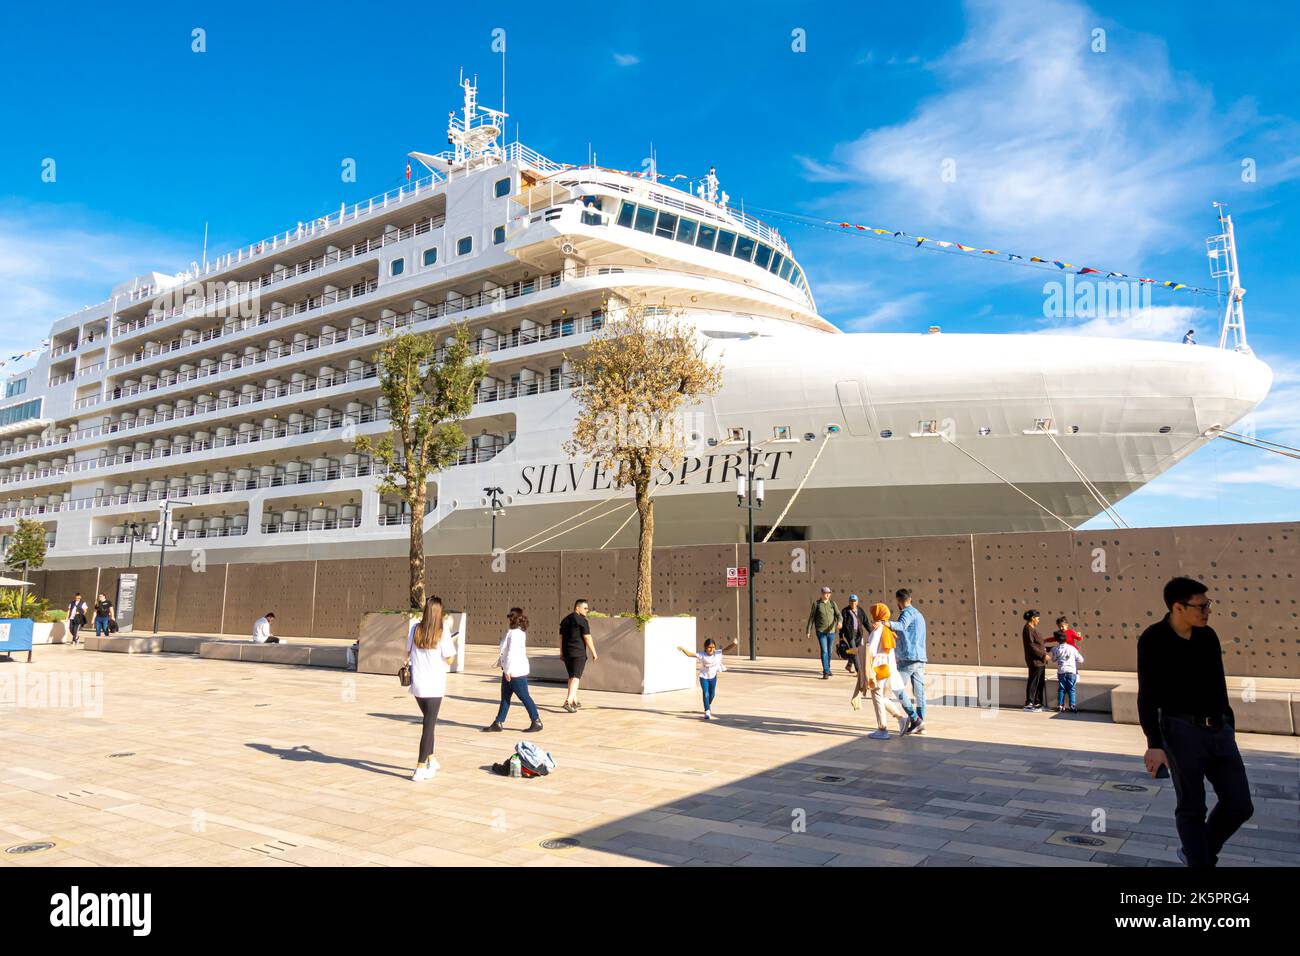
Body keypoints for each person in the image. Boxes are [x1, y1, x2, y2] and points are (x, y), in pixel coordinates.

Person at [1138, 577, 1253, 868]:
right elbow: (1147, 695)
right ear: (1178, 607)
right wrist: (1154, 744)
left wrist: (1228, 725)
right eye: (1200, 607)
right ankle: (1200, 863)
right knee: (1192, 807)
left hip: (1219, 730)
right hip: (1180, 731)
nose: (1207, 611)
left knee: (1239, 804)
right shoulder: (1154, 639)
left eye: (1207, 605)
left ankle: (1196, 852)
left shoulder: (1208, 636)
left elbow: (1218, 684)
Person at [407, 595, 458, 782]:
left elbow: (407, 652)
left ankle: (432, 759)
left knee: (430, 722)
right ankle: (420, 767)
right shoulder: (442, 632)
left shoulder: (415, 630)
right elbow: (450, 658)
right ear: (439, 613)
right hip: (435, 685)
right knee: (428, 726)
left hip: (418, 685)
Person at [855, 603, 921, 739]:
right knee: (881, 696)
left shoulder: (878, 630)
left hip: (877, 668)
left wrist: (859, 649)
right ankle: (900, 719)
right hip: (886, 668)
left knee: (877, 696)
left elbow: (871, 650)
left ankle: (883, 728)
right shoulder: (887, 629)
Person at [484, 608, 543, 734]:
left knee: (524, 697)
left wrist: (507, 671)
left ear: (512, 619)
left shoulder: (515, 634)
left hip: (514, 672)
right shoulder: (517, 632)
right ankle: (498, 722)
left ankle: (536, 720)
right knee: (505, 698)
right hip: (511, 670)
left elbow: (512, 653)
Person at [893, 588, 928, 731]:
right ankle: (921, 723)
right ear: (910, 599)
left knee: (897, 687)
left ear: (899, 602)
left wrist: (886, 623)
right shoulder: (919, 615)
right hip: (920, 657)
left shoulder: (906, 613)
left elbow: (901, 626)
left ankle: (914, 719)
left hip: (908, 657)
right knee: (919, 692)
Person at [677, 637, 738, 719]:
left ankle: (707, 705)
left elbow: (727, 649)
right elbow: (690, 654)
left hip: (713, 677)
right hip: (704, 677)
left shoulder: (717, 653)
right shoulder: (702, 655)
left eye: (713, 647)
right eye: (709, 647)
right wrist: (683, 649)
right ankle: (707, 711)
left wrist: (734, 644)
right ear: (705, 648)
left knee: (712, 694)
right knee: (706, 693)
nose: (711, 649)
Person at [559, 598, 596, 712]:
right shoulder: (582, 620)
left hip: (567, 653)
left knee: (571, 676)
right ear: (577, 608)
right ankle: (568, 701)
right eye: (585, 608)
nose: (587, 610)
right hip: (578, 653)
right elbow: (587, 637)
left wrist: (561, 652)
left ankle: (574, 700)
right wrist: (594, 652)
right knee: (576, 677)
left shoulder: (565, 620)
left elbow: (561, 637)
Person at [806, 586, 839, 679]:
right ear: (822, 594)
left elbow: (838, 615)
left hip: (831, 632)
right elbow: (811, 618)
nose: (827, 594)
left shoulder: (833, 604)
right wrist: (808, 630)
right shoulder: (816, 604)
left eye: (829, 593)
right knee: (824, 650)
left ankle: (828, 668)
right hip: (821, 632)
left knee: (830, 651)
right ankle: (825, 671)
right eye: (825, 593)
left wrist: (839, 622)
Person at [1051, 635, 1084, 713]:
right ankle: (1072, 705)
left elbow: (1053, 659)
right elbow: (1081, 659)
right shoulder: (1072, 648)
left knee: (1061, 689)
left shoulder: (1056, 649)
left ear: (1058, 641)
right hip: (1071, 671)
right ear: (1066, 640)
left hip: (1061, 671)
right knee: (1071, 689)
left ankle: (1060, 705)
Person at [1022, 609, 1047, 711]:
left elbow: (1038, 644)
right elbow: (1031, 646)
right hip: (1035, 661)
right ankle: (1029, 703)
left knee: (1040, 682)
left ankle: (1037, 703)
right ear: (1032, 618)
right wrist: (1043, 655)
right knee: (1033, 682)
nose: (1038, 620)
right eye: (1038, 618)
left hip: (1040, 661)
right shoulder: (1027, 629)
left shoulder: (1032, 629)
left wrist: (1047, 649)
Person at [839, 595, 867, 674]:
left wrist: (871, 631)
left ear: (857, 602)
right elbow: (842, 624)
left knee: (854, 651)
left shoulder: (860, 610)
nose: (853, 603)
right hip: (850, 634)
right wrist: (841, 636)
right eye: (851, 601)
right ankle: (859, 671)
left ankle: (849, 665)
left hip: (859, 634)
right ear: (849, 602)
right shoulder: (845, 611)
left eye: (854, 601)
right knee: (854, 651)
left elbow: (865, 621)